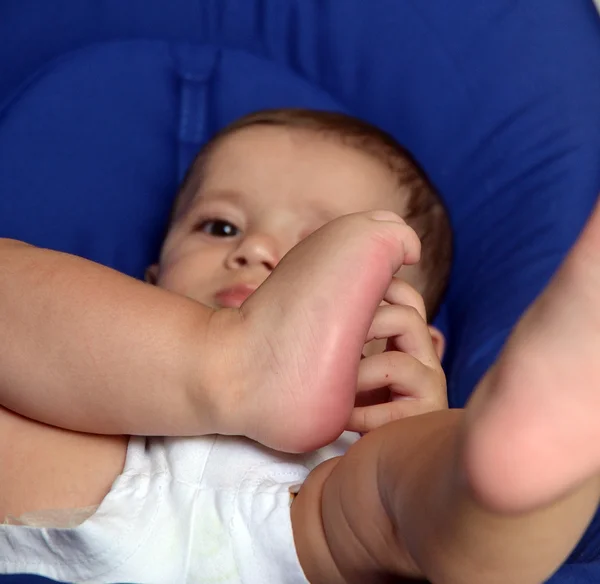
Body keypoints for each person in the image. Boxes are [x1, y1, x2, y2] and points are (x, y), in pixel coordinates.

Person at [0, 108, 595, 584]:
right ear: (152, 279)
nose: (255, 249)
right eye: (220, 227)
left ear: (410, 340)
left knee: (405, 491)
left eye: (316, 252)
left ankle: (510, 462)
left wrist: (418, 422)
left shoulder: (369, 440)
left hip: (307, 528)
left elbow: (387, 481)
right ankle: (228, 360)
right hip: (85, 478)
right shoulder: (101, 350)